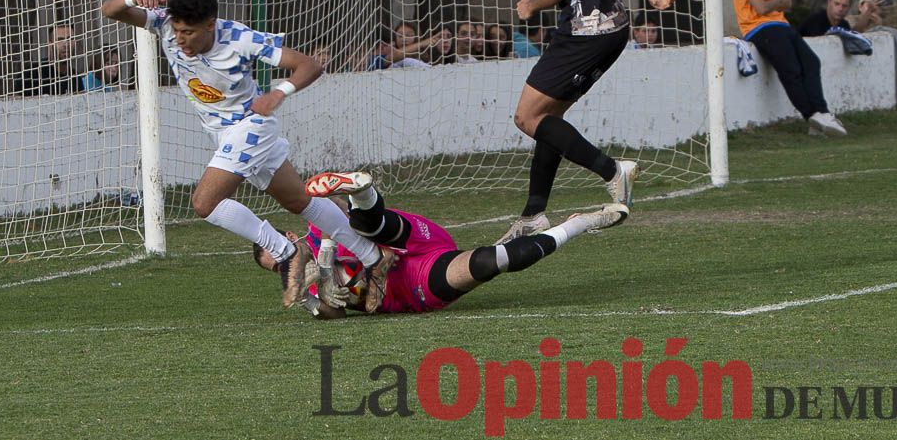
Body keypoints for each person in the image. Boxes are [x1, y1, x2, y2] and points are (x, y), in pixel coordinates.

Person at [100, 0, 392, 310]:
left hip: (250, 126)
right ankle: (373, 257)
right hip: (224, 133)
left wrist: (278, 93)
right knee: (298, 200)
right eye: (178, 31)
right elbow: (111, 10)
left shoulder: (240, 39)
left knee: (204, 203)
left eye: (189, 33)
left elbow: (309, 65)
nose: (180, 40)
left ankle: (286, 252)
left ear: (210, 24)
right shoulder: (165, 23)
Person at [494, 0, 671, 243]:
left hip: (584, 31)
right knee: (548, 118)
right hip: (615, 27)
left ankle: (613, 171)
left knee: (527, 118)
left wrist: (529, 5)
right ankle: (534, 214)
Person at [252, 171, 628, 318]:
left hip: (410, 240)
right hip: (411, 286)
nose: (285, 266)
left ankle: (362, 190)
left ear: (288, 239)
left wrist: (326, 251)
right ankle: (582, 223)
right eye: (277, 268)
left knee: (367, 224)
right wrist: (309, 299)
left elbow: (326, 206)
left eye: (282, 256)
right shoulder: (311, 284)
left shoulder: (314, 229)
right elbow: (336, 315)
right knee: (489, 263)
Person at [733, 0, 847, 137]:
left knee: (812, 62)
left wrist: (775, 2)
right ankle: (811, 114)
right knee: (790, 70)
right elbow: (761, 8)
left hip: (781, 24)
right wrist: (777, 0)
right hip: (758, 28)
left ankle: (821, 114)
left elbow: (789, 3)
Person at [18, 24, 84, 95]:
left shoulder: (75, 77)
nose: (66, 44)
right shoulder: (31, 73)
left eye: (70, 39)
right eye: (60, 40)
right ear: (50, 44)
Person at [799, 0, 881, 37]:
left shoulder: (843, 24)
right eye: (837, 4)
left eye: (844, 6)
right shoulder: (815, 22)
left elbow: (853, 35)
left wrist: (868, 11)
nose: (840, 9)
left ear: (849, 7)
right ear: (829, 3)